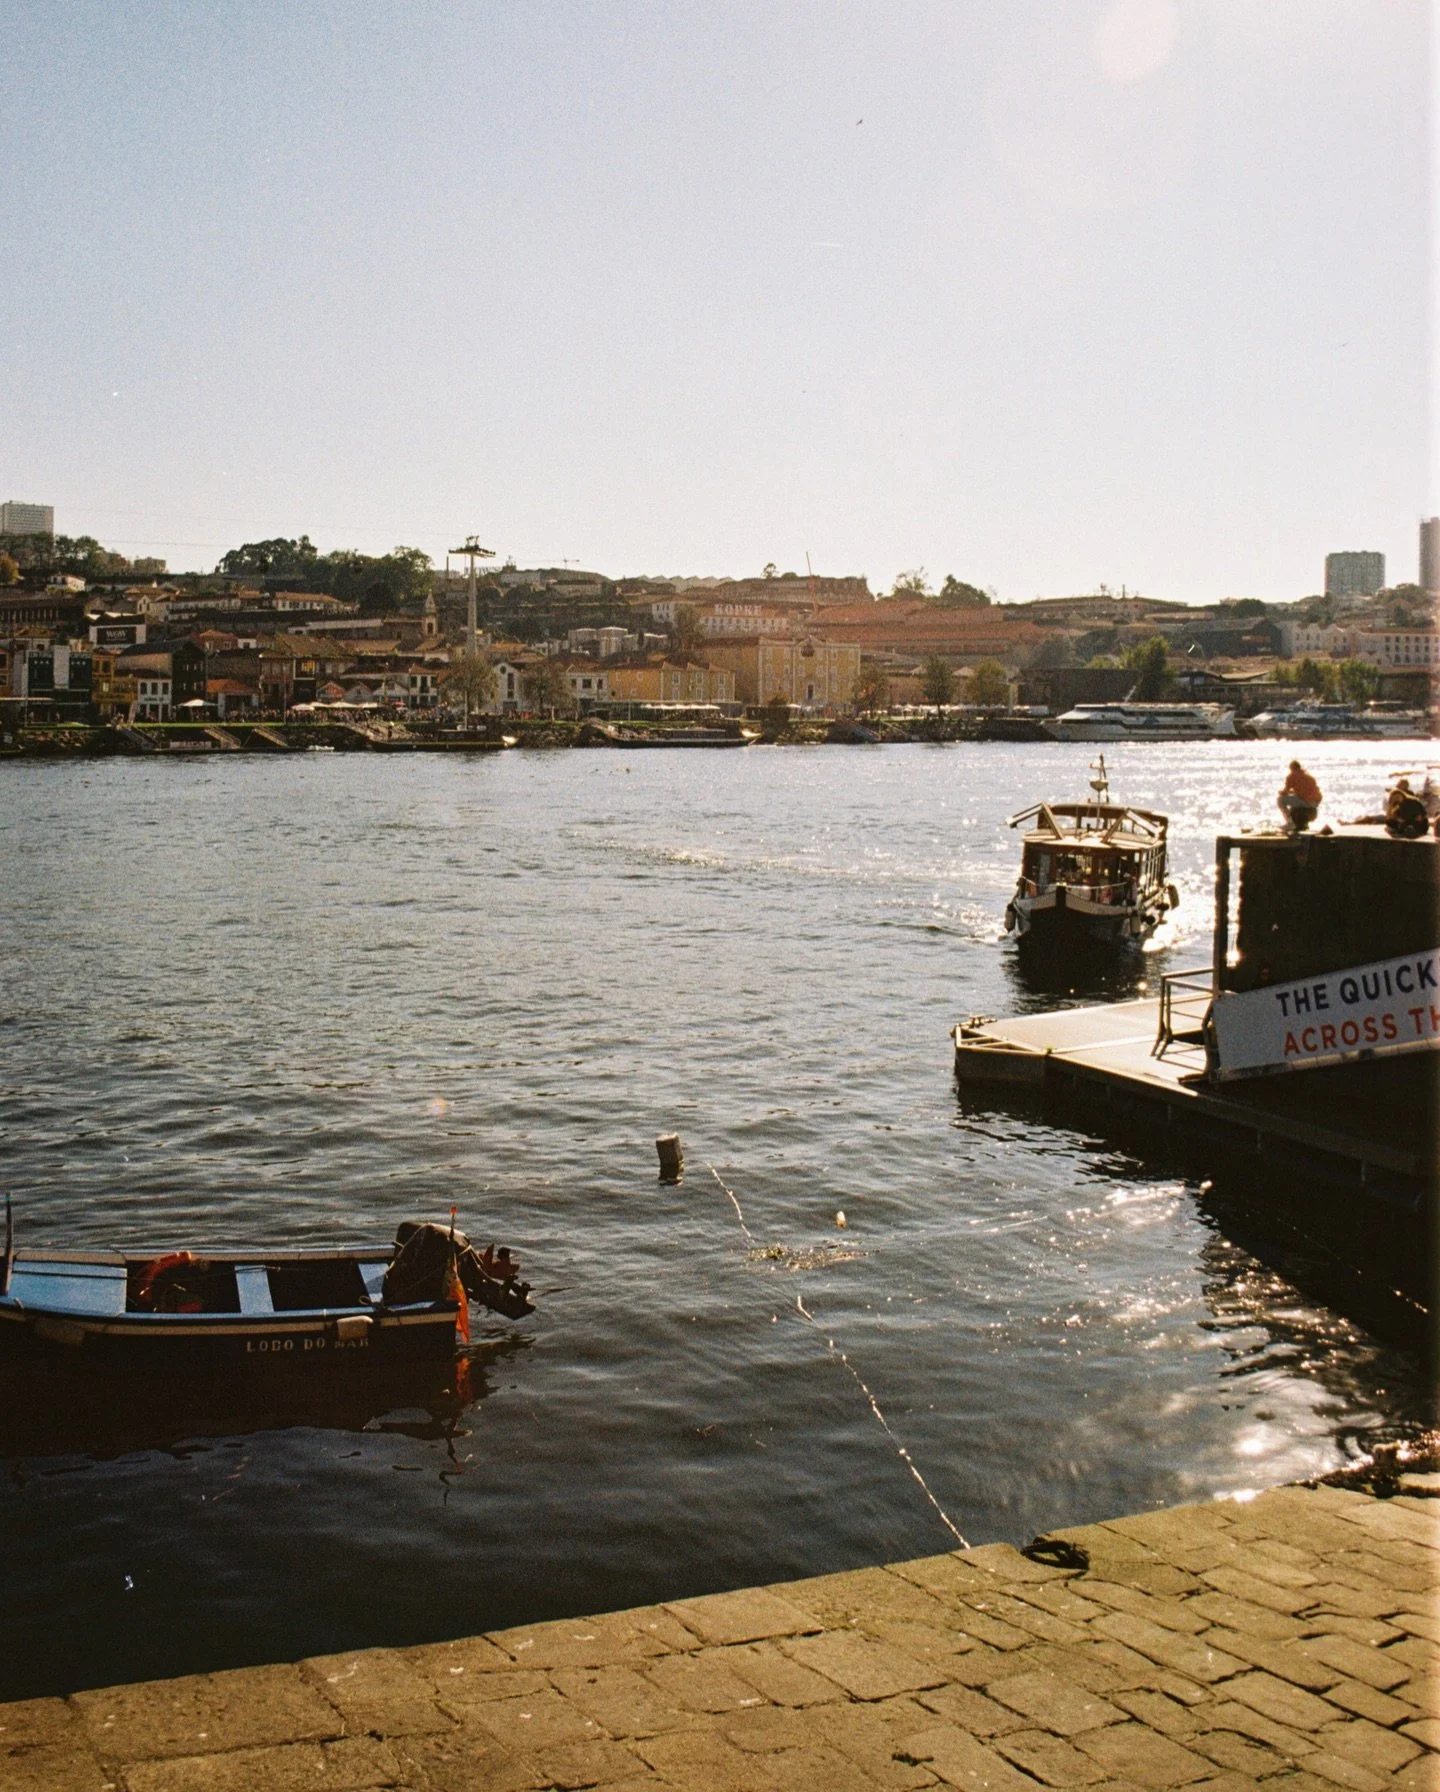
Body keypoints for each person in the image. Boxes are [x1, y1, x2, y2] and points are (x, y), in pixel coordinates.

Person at [1277, 760, 1322, 833]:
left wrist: (1281, 792)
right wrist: (1292, 793)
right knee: (1295, 800)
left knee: (1280, 800)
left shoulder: (1291, 776)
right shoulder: (1309, 776)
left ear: (1292, 768)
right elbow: (1307, 791)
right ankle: (1299, 824)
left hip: (1306, 802)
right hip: (1315, 802)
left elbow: (1285, 792)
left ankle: (1290, 823)